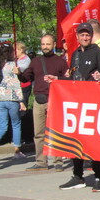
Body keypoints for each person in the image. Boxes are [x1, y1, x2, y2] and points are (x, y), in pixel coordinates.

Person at [56, 22, 100, 191]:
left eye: (87, 35)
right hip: (76, 104)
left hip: (93, 104)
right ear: (77, 36)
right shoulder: (75, 54)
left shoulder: (97, 52)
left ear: (91, 36)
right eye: (82, 35)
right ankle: (78, 176)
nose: (85, 37)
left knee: (94, 142)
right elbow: (73, 78)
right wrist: (58, 80)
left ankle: (98, 177)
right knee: (75, 141)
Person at [17, 34, 68, 171]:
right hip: (39, 101)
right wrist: (19, 73)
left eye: (48, 44)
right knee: (39, 133)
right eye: (43, 44)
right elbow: (26, 78)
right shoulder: (36, 61)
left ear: (53, 44)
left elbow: (67, 80)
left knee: (56, 132)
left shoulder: (61, 62)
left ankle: (58, 161)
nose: (45, 47)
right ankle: (41, 162)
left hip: (55, 100)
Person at [0, 44, 26, 160]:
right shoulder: (13, 65)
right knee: (16, 124)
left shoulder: (0, 65)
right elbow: (16, 83)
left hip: (0, 98)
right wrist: (21, 100)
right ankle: (17, 150)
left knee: (2, 126)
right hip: (12, 98)